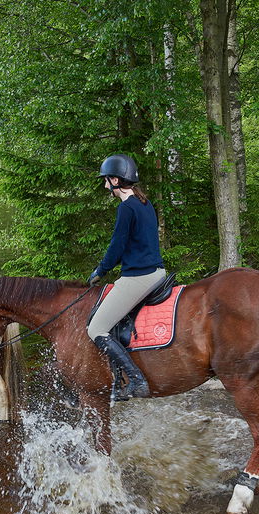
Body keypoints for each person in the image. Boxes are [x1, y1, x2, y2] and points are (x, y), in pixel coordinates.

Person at [86, 154, 166, 399]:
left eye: (106, 180)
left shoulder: (126, 208)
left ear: (116, 180)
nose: (104, 185)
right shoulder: (144, 203)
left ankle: (136, 379)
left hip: (139, 277)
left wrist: (100, 271)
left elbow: (117, 247)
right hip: (157, 272)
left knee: (96, 328)